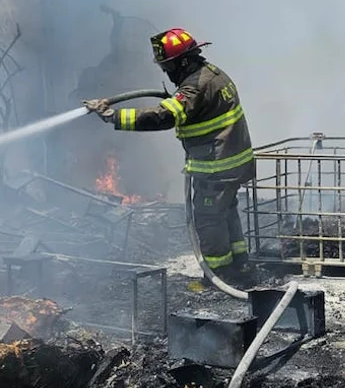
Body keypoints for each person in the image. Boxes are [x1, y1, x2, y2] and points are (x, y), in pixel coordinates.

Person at [83, 28, 256, 284]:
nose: (166, 71)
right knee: (226, 213)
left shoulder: (195, 87)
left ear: (183, 61)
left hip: (216, 167)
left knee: (209, 220)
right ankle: (241, 267)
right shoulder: (212, 73)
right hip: (231, 162)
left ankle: (219, 278)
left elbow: (163, 117)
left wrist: (113, 116)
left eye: (168, 66)